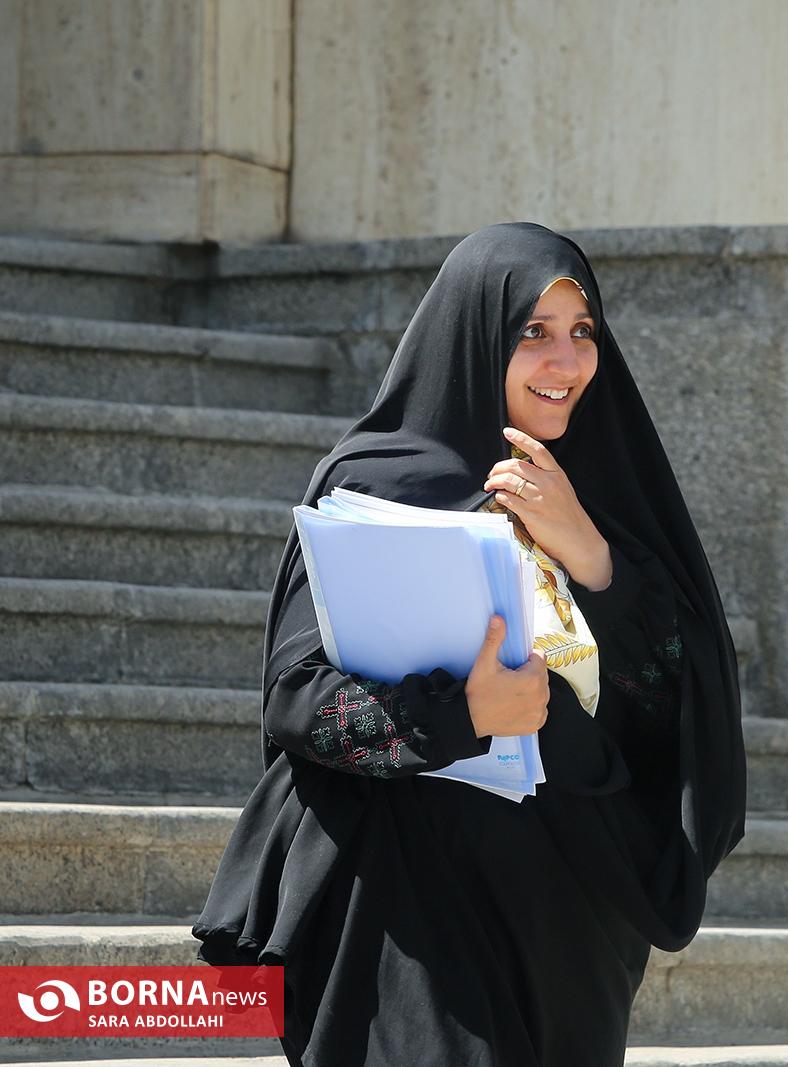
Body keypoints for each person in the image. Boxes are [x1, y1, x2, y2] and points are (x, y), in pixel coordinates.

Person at [190, 222, 748, 1066]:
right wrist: (463, 715)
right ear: (475, 335)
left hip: (574, 923)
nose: (566, 361)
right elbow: (298, 696)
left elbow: (676, 704)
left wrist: (591, 555)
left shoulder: (604, 498)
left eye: (583, 331)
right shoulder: (377, 485)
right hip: (411, 912)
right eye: (534, 332)